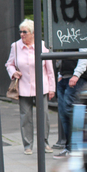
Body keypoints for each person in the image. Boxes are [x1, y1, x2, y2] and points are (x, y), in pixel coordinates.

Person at [5, 19, 56, 155]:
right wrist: (13, 72)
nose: (22, 34)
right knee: (25, 117)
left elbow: (49, 68)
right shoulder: (15, 46)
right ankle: (27, 145)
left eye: (25, 32)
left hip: (42, 87)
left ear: (32, 33)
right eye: (20, 32)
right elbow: (9, 64)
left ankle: (44, 142)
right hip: (23, 87)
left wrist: (52, 87)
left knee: (43, 116)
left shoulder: (42, 45)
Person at [54, 48, 87, 158]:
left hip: (77, 78)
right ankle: (69, 147)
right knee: (64, 114)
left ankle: (76, 148)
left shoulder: (80, 34)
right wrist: (60, 75)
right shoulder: (65, 34)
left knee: (72, 113)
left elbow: (84, 55)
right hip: (64, 77)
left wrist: (76, 75)